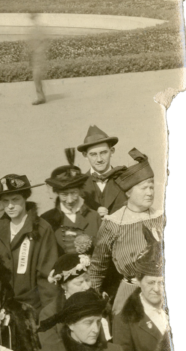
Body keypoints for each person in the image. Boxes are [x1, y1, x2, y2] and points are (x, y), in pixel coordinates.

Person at [87, 149, 165, 314]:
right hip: (131, 294)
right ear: (129, 192)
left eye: (152, 187)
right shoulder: (113, 223)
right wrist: (93, 303)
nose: (150, 192)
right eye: (144, 188)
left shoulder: (161, 218)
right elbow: (97, 267)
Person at [0, 174, 59, 313]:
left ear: (25, 198)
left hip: (33, 308)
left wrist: (48, 315)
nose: (10, 206)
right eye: (5, 201)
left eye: (15, 200)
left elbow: (47, 278)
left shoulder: (41, 229)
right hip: (3, 308)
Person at [113, 240, 169, 351]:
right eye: (151, 282)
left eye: (161, 283)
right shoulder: (126, 319)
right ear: (138, 281)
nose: (156, 289)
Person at [37, 252, 95, 347]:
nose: (86, 287)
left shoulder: (98, 305)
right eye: (79, 283)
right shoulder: (49, 314)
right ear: (64, 286)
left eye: (88, 280)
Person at [42, 165, 101, 254]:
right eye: (64, 194)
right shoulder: (47, 219)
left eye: (74, 193)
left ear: (81, 191)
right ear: (57, 193)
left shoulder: (94, 216)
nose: (69, 200)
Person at [76, 126, 128, 219]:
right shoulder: (78, 185)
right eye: (93, 154)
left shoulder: (126, 178)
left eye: (103, 152)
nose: (99, 159)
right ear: (85, 155)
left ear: (112, 151)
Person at [26, 12, 48, 105]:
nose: (32, 20)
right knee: (36, 77)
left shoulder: (39, 29)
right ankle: (41, 96)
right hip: (34, 56)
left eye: (33, 18)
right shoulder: (33, 29)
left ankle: (41, 97)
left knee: (36, 76)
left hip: (38, 56)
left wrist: (38, 51)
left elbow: (45, 42)